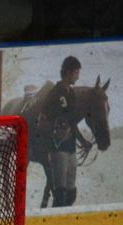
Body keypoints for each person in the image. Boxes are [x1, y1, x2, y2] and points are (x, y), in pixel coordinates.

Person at [38, 55, 86, 207]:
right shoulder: (54, 92)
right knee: (60, 194)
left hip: (71, 148)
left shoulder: (71, 94)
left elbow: (72, 121)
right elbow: (41, 121)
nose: (78, 77)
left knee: (71, 194)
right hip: (58, 148)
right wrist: (55, 130)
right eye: (76, 73)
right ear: (68, 72)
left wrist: (83, 141)